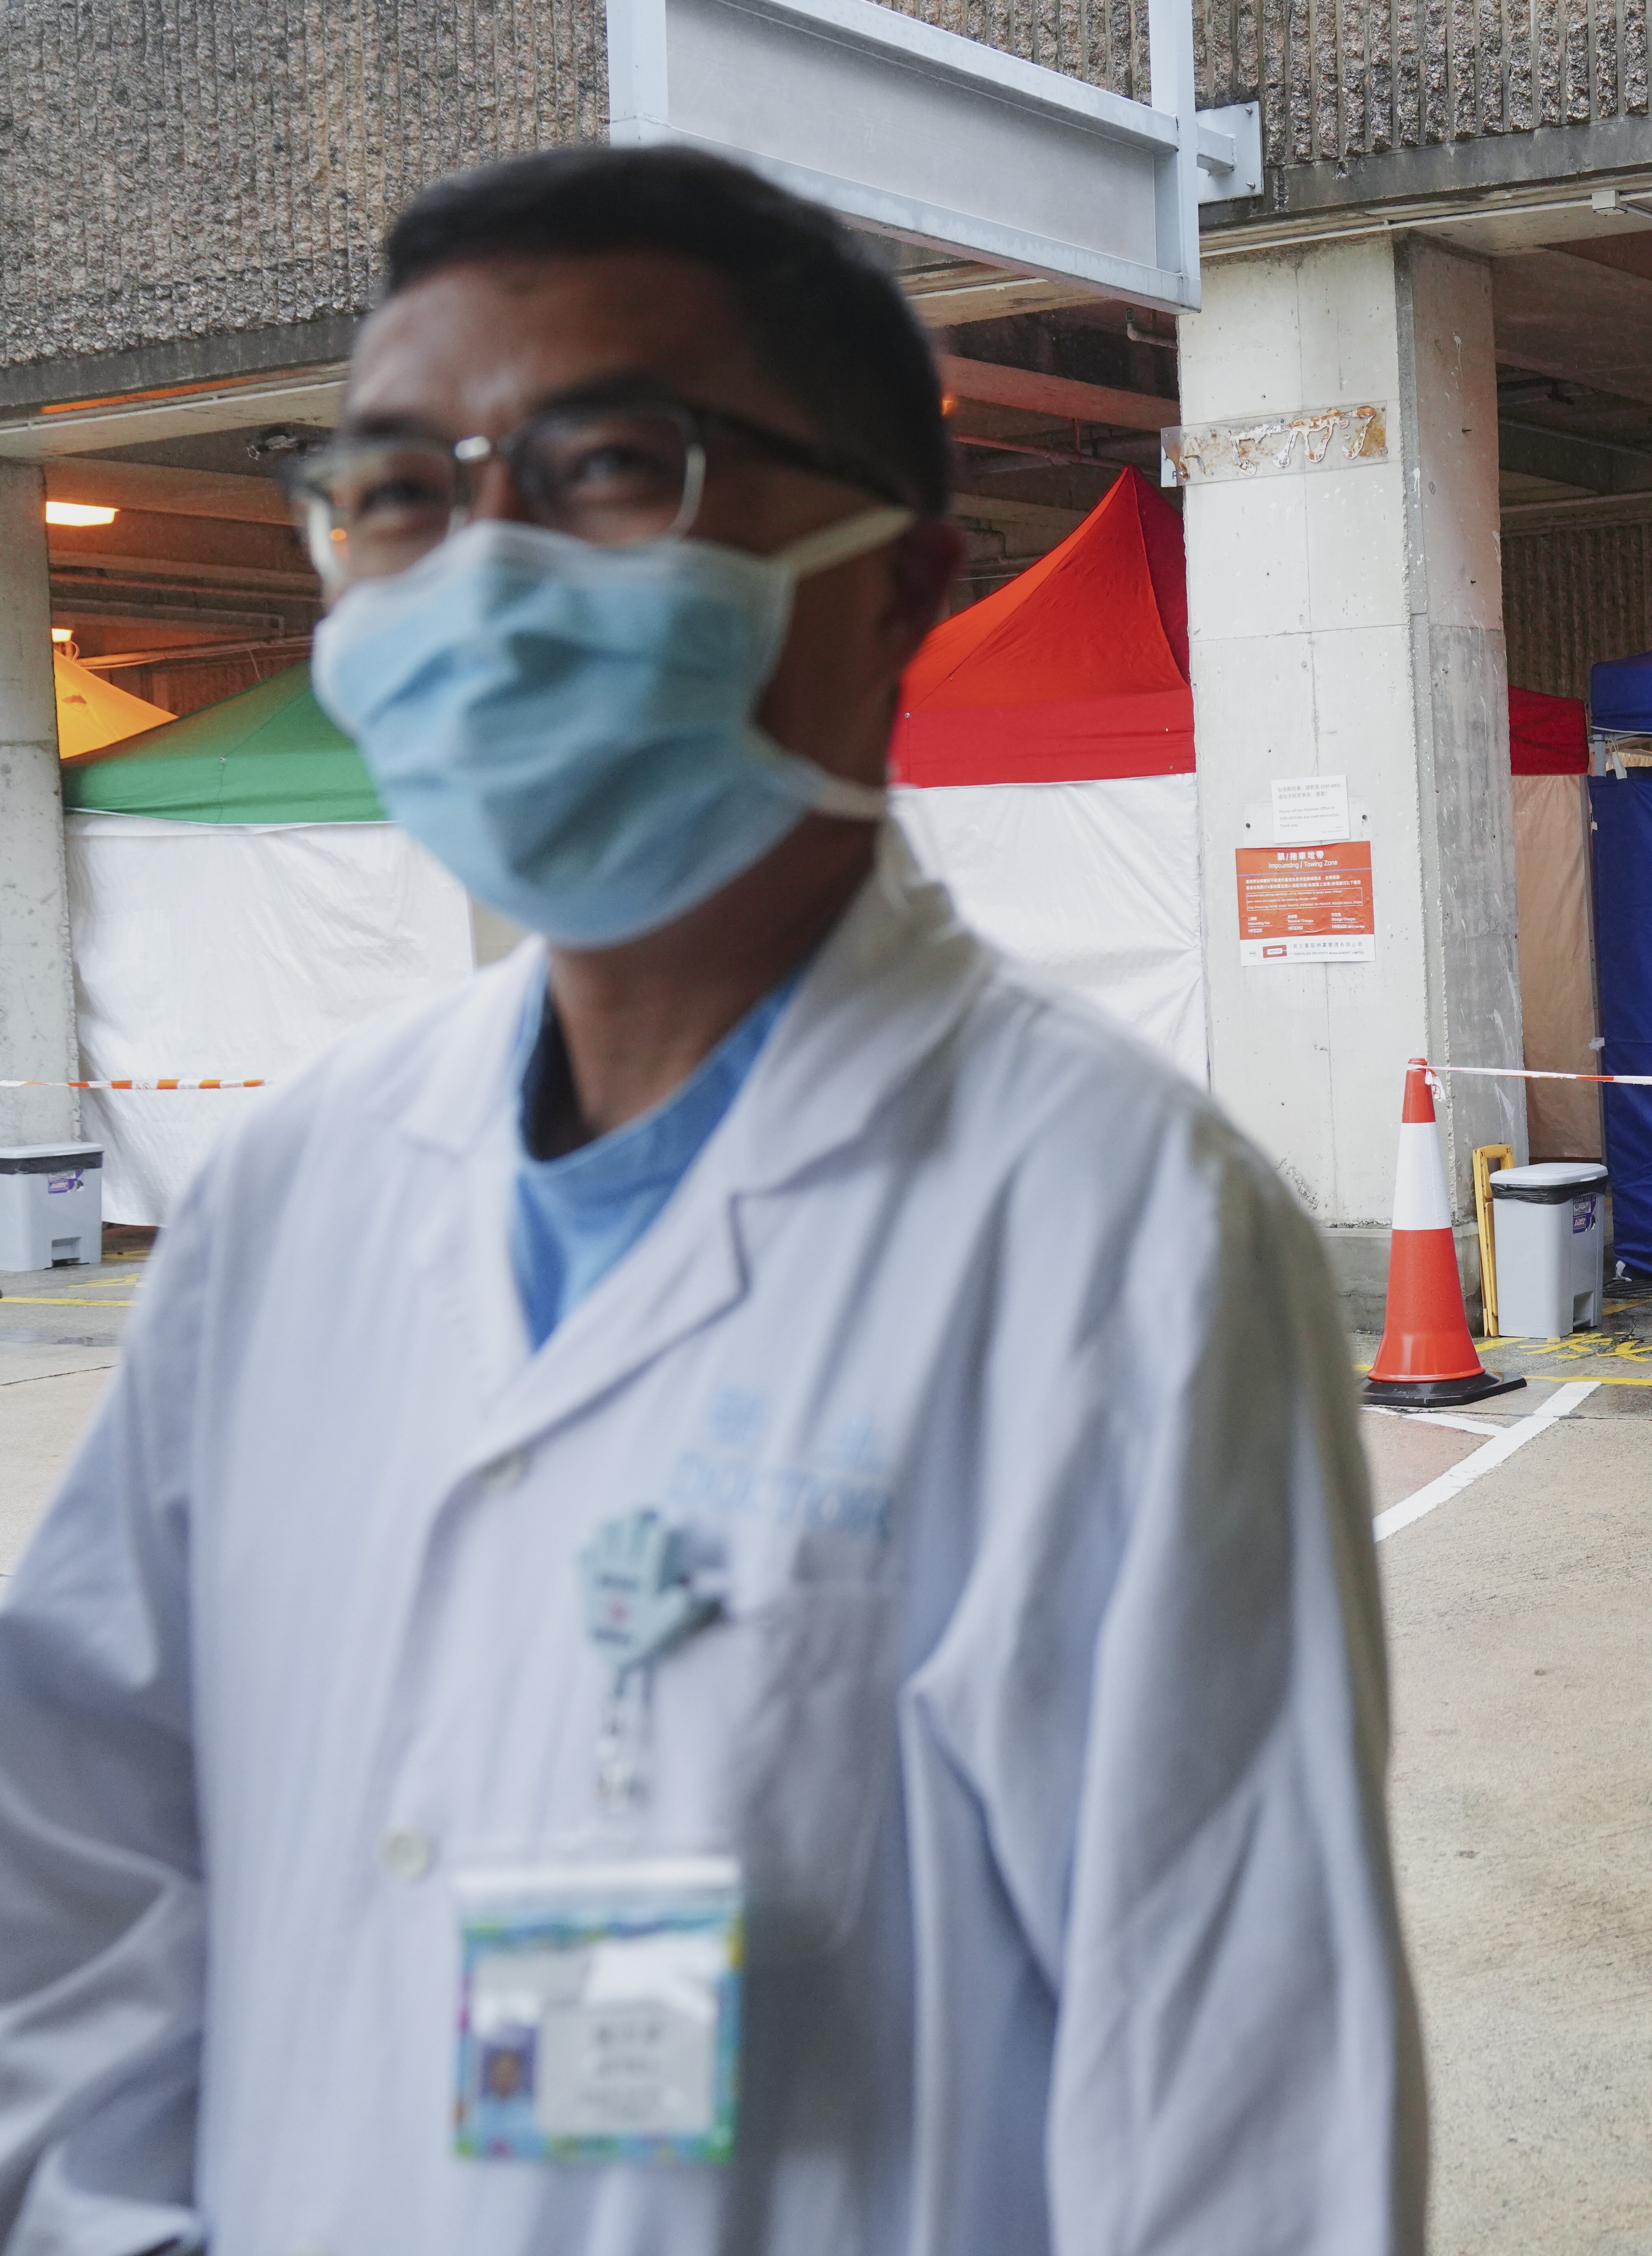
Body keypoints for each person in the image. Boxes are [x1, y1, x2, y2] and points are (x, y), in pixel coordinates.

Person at [0, 146, 1421, 2252]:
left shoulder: (1116, 1233)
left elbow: (1240, 2106)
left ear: (899, 584)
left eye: (602, 467)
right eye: (397, 494)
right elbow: (80, 1835)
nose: (474, 574)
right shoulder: (301, 1184)